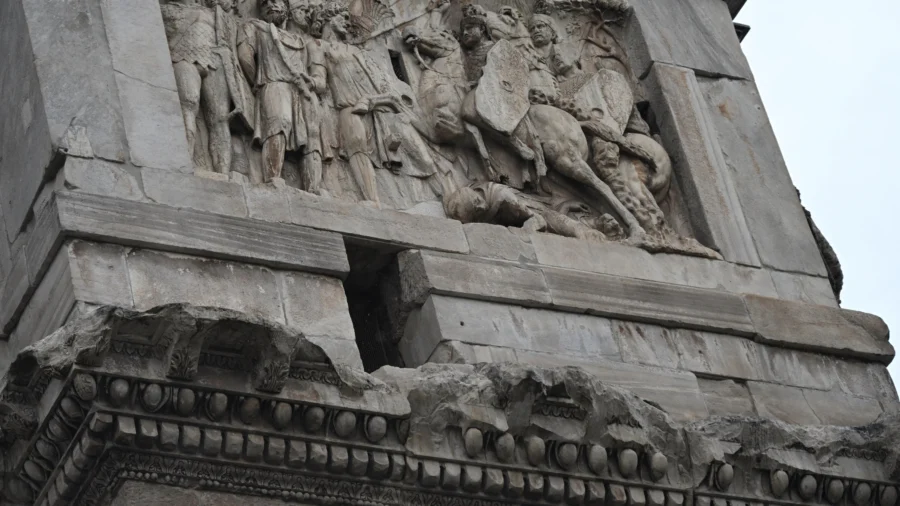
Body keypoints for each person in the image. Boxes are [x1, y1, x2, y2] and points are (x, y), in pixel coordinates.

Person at [320, 1, 404, 204]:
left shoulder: (357, 52)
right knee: (356, 147)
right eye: (343, 18)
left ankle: (374, 200)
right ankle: (371, 200)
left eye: (349, 19)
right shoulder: (320, 47)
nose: (348, 23)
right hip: (347, 107)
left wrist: (371, 100)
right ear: (328, 19)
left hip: (373, 110)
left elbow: (389, 93)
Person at [237, 0, 325, 187]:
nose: (270, 5)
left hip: (303, 90)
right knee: (279, 123)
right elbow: (245, 56)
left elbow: (318, 77)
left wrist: (311, 82)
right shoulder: (255, 27)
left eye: (275, 1)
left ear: (286, 7)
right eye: (264, 4)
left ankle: (314, 188)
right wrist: (260, 83)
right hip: (273, 83)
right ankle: (273, 178)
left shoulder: (302, 41)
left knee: (312, 135)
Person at [161, 0, 253, 174]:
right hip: (183, 56)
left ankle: (223, 172)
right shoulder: (168, 9)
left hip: (215, 61)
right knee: (189, 102)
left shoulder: (219, 15)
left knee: (220, 117)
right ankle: (185, 161)